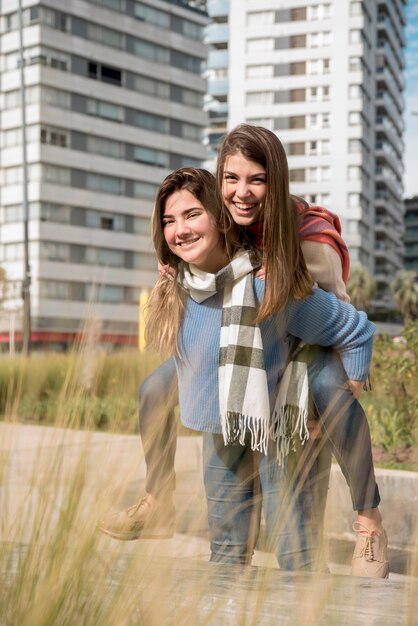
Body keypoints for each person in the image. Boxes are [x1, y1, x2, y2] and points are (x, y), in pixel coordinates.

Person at [100, 126, 388, 578]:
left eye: (256, 179)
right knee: (155, 390)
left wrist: (333, 392)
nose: (242, 192)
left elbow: (346, 325)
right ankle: (158, 499)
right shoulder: (194, 272)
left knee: (330, 390)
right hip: (233, 409)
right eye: (231, 180)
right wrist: (175, 265)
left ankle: (369, 522)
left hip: (299, 373)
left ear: (275, 184)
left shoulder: (293, 255)